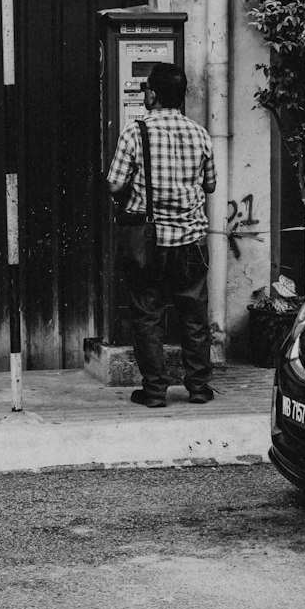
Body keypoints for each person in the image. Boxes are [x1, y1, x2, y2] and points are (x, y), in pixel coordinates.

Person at [107, 62, 217, 409]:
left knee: (148, 313)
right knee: (194, 315)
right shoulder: (200, 133)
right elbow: (210, 184)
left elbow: (114, 183)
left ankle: (155, 391)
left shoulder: (135, 132)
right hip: (191, 240)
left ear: (152, 94)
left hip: (149, 241)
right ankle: (198, 388)